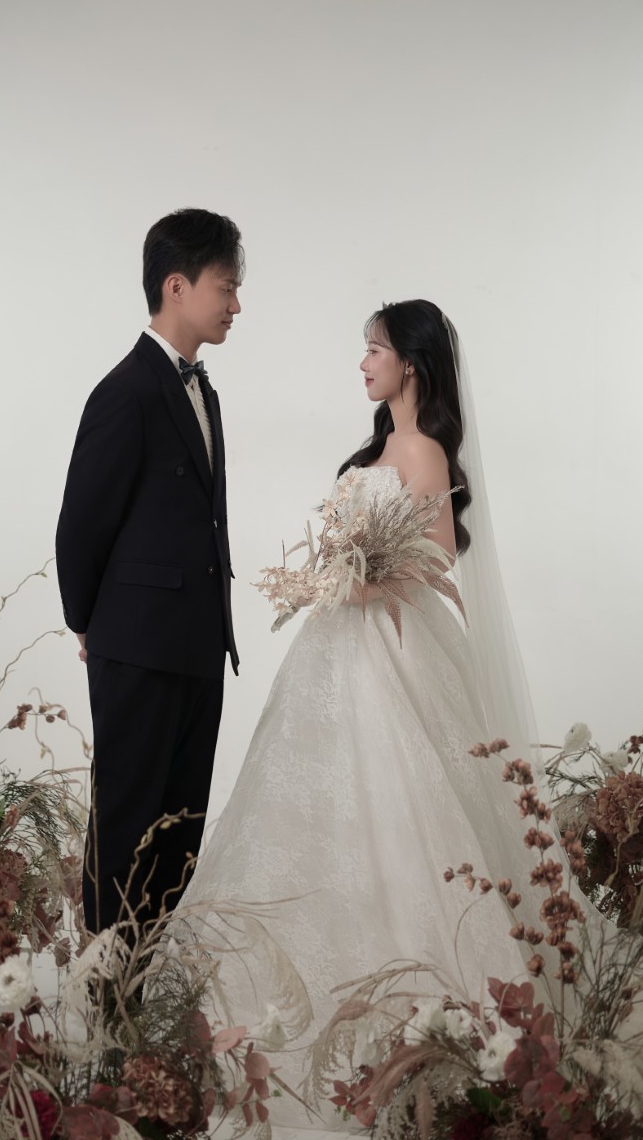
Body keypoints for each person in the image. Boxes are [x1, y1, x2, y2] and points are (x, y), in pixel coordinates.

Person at [175, 300, 549, 1129]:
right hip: (333, 649)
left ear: (410, 362)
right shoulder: (375, 451)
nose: (363, 361)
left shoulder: (423, 450)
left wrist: (364, 583)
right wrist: (334, 577)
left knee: (401, 800)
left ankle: (419, 1015)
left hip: (390, 648)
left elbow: (438, 555)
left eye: (374, 348)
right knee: (314, 806)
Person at [56, 207, 243, 936]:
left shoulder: (203, 390)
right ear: (177, 286)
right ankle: (104, 995)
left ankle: (145, 994)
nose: (236, 304)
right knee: (125, 835)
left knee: (177, 842)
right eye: (226, 287)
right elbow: (81, 525)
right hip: (137, 649)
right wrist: (87, 624)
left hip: (196, 649)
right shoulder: (125, 391)